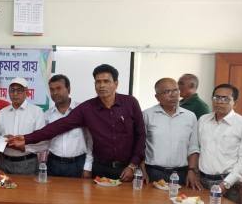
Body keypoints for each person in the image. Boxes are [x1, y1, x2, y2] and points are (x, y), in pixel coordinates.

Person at [9, 64, 145, 181]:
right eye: (98, 82)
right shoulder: (87, 108)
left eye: (106, 81)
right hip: (100, 169)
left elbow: (141, 135)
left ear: (116, 83)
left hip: (126, 169)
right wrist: (26, 138)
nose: (102, 85)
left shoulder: (130, 103)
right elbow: (58, 126)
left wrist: (133, 165)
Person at [142, 78, 200, 188]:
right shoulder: (147, 115)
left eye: (175, 90)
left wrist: (192, 170)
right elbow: (140, 146)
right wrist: (142, 170)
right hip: (153, 172)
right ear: (157, 97)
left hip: (181, 174)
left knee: (180, 199)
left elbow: (193, 147)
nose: (173, 95)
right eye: (167, 92)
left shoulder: (190, 116)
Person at [198, 84, 242, 204]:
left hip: (228, 184)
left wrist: (226, 184)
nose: (219, 102)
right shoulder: (203, 120)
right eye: (216, 97)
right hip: (201, 181)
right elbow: (197, 148)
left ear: (235, 102)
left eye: (225, 99)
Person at [0, 77, 45, 175]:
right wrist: (3, 140)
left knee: (27, 186)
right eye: (12, 90)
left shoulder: (37, 112)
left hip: (27, 163)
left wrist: (23, 146)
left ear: (27, 92)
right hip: (4, 162)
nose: (15, 94)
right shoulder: (2, 113)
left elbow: (42, 142)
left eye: (19, 90)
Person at [44, 74, 93, 178]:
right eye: (52, 89)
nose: (55, 93)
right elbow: (44, 141)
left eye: (59, 88)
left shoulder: (82, 111)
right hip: (53, 164)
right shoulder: (47, 115)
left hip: (78, 164)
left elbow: (91, 140)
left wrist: (88, 167)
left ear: (69, 89)